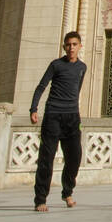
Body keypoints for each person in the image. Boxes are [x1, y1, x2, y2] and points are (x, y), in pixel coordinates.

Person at [30, 32, 88, 212]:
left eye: (74, 44)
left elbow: (76, 90)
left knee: (75, 157)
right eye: (68, 44)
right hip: (53, 115)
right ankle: (41, 199)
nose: (71, 48)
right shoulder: (56, 65)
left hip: (72, 117)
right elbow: (41, 86)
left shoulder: (82, 67)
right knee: (46, 159)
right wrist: (34, 109)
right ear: (64, 47)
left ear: (80, 46)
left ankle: (67, 191)